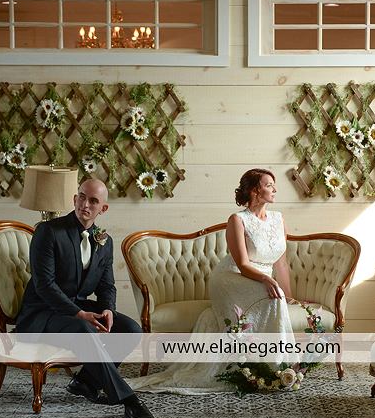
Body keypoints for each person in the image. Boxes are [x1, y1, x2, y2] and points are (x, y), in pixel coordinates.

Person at [127, 168, 296, 394]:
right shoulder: (237, 220)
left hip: (261, 278)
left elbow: (281, 264)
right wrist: (266, 280)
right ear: (255, 191)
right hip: (232, 277)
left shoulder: (279, 219)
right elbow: (242, 264)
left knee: (276, 298)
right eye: (269, 185)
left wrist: (289, 296)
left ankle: (275, 367)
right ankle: (270, 369)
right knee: (271, 296)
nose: (275, 190)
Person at [16, 178, 157, 418]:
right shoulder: (48, 232)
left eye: (93, 201)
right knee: (84, 328)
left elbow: (107, 286)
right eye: (82, 197)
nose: (85, 204)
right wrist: (80, 313)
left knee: (131, 329)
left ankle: (85, 382)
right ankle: (129, 400)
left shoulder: (104, 241)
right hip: (41, 313)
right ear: (75, 198)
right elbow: (45, 285)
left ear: (103, 208)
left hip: (76, 308)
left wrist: (108, 309)